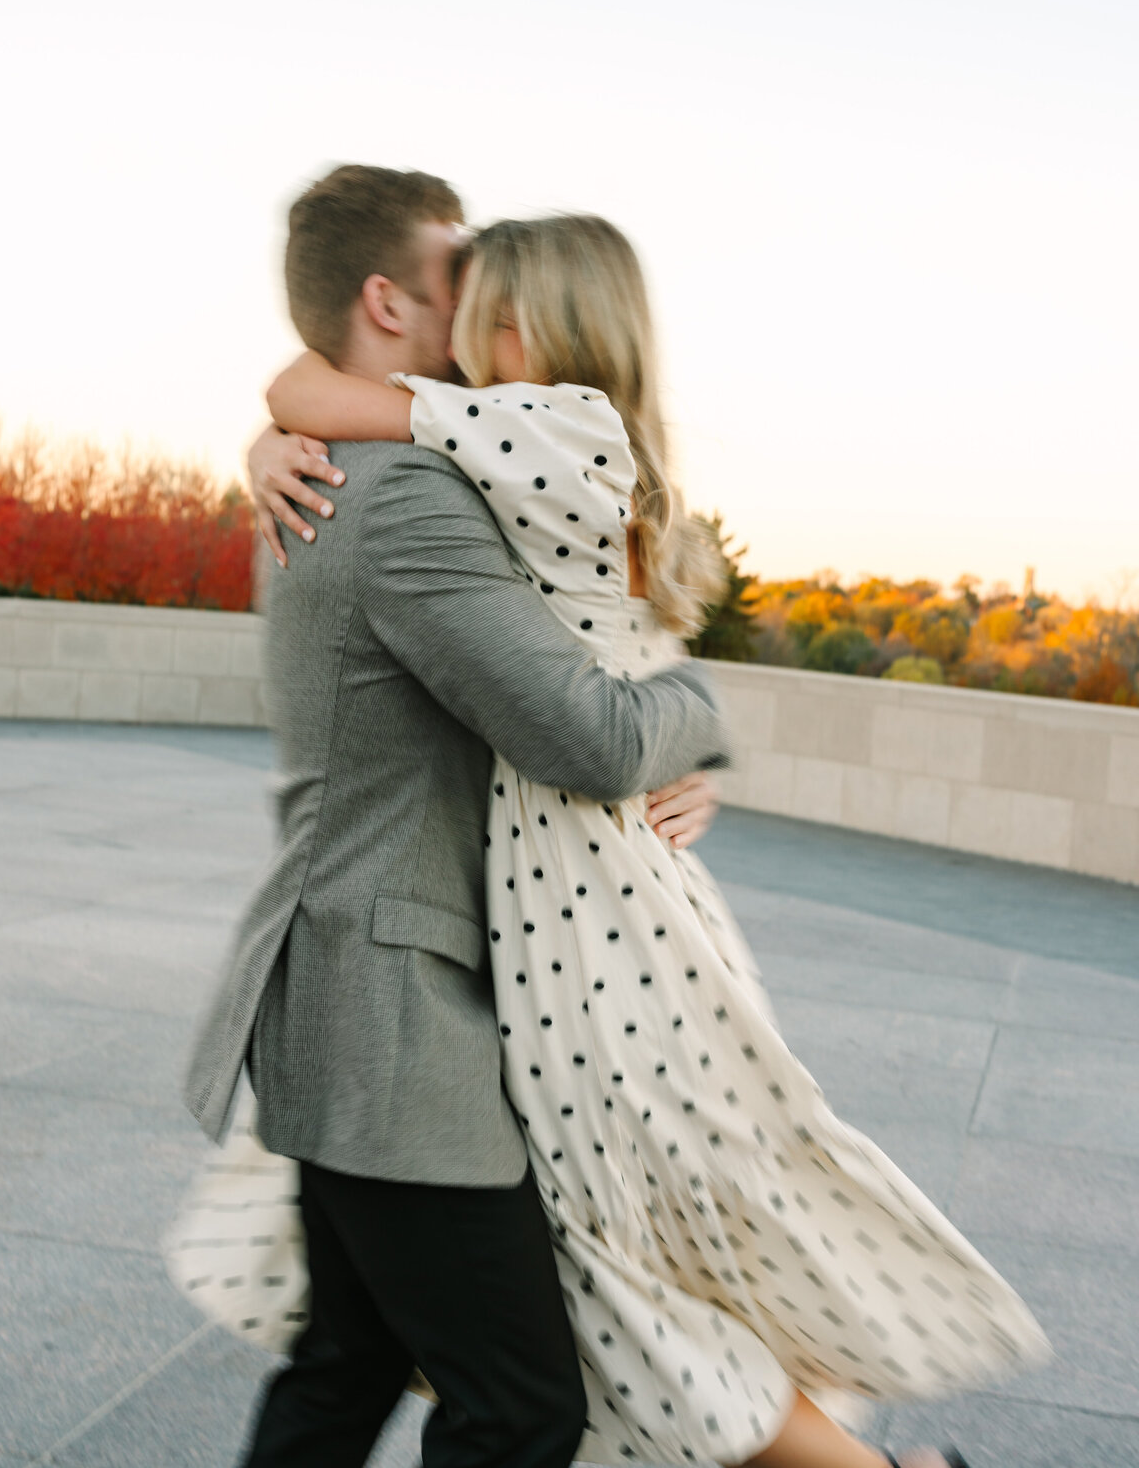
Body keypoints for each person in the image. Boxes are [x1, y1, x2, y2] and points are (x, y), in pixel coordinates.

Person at [252, 210, 1050, 1468]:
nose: (462, 329)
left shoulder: (543, 432)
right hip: (556, 914)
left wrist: (695, 727)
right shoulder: (527, 452)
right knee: (592, 1280)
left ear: (534, 324)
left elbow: (610, 722)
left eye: (487, 303)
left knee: (607, 1276)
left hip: (585, 921)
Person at [181, 166, 734, 1468]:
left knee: (350, 1363)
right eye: (457, 270)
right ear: (388, 301)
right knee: (520, 1401)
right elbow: (590, 735)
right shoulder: (412, 494)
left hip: (347, 988)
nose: (484, 288)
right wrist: (699, 705)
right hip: (393, 1016)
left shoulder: (347, 462)